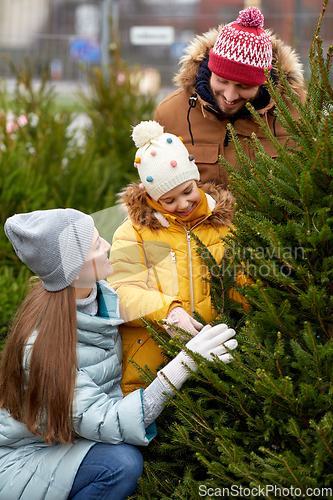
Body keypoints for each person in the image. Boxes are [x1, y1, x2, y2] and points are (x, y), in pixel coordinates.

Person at [0, 208, 238, 500]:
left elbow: (128, 295)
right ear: (75, 268)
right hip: (26, 459)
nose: (107, 247)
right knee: (121, 464)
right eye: (97, 244)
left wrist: (172, 314)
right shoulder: (41, 346)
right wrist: (185, 363)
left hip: (69, 440)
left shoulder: (94, 293)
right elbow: (107, 422)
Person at [108, 120, 248, 397]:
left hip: (219, 362)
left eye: (187, 192)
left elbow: (243, 284)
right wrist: (167, 313)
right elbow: (120, 293)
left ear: (195, 178)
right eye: (169, 201)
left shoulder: (225, 224)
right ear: (152, 197)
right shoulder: (133, 232)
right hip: (152, 370)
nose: (183, 205)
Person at [153, 6, 307, 188]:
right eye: (222, 81)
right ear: (211, 71)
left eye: (244, 86)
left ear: (263, 83)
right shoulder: (170, 114)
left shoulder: (297, 113)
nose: (230, 96)